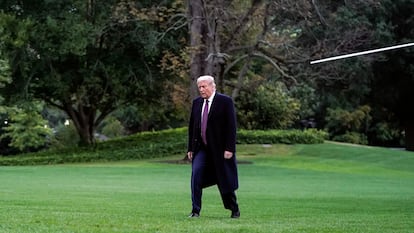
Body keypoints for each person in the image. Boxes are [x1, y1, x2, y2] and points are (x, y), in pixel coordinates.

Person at [187, 75, 240, 218]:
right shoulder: (197, 103)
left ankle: (234, 209)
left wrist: (230, 148)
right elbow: (192, 127)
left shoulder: (225, 102)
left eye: (204, 86)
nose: (202, 90)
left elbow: (231, 127)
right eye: (200, 87)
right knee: (196, 175)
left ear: (212, 86)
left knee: (224, 180)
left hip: (220, 149)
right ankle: (195, 210)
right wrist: (190, 148)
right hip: (201, 149)